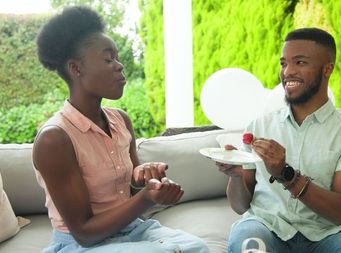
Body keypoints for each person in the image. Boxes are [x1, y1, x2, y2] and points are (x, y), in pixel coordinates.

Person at [33, 6, 209, 253]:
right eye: (108, 59)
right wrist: (146, 198)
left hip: (131, 229)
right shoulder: (55, 139)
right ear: (76, 68)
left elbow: (130, 190)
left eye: (116, 58)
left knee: (198, 248)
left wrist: (145, 179)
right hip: (81, 245)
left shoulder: (120, 121)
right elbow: (84, 233)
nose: (119, 66)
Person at [216, 28, 341, 253]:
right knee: (249, 245)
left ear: (327, 69)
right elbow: (239, 206)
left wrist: (286, 174)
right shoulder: (259, 127)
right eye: (284, 63)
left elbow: (339, 212)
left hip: (324, 236)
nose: (288, 72)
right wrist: (236, 176)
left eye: (300, 62)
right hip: (265, 227)